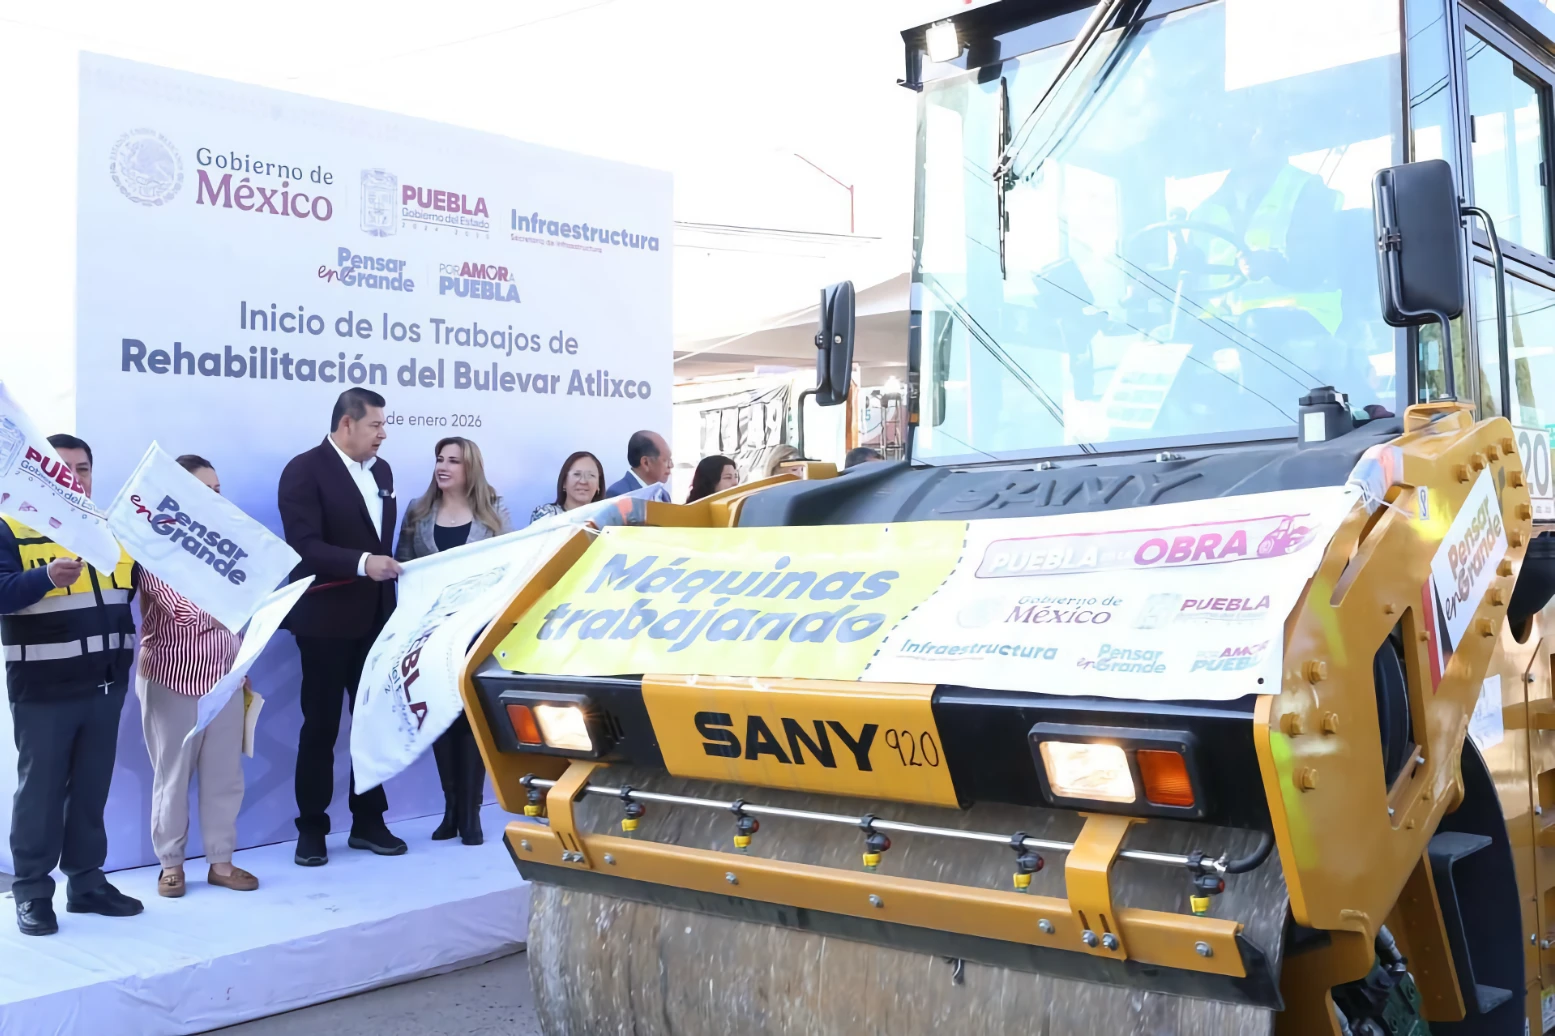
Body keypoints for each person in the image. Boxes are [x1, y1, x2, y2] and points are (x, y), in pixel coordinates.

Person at [0, 434, 141, 936]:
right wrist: (44, 579)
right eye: (63, 468)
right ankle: (33, 894)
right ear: (41, 475)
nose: (75, 477)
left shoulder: (113, 530)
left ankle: (86, 883)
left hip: (106, 686)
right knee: (39, 796)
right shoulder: (11, 526)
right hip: (44, 689)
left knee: (90, 792)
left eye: (83, 468)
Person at [277, 387, 405, 867]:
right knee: (321, 726)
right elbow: (304, 545)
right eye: (375, 425)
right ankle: (311, 828)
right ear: (346, 424)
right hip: (325, 622)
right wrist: (362, 563)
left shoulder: (383, 472)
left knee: (371, 723)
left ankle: (368, 820)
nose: (383, 434)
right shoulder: (303, 470)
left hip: (376, 620)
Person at [136, 455, 257, 898]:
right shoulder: (152, 545)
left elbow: (243, 613)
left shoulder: (227, 546)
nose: (215, 498)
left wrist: (240, 666)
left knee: (225, 775)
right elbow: (183, 612)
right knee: (172, 776)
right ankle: (171, 864)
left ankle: (221, 862)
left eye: (218, 490)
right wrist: (232, 602)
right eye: (204, 491)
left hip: (225, 679)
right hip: (173, 677)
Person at [395, 437, 510, 845]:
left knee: (469, 720)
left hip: (474, 634)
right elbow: (404, 567)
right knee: (441, 720)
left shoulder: (494, 512)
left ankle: (471, 813)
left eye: (453, 461)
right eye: (439, 459)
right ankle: (450, 809)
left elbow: (507, 571)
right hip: (429, 636)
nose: (443, 467)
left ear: (470, 467)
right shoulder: (418, 511)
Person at [531, 451, 606, 523]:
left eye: (591, 475)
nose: (583, 481)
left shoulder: (607, 521)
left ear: (598, 485)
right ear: (564, 482)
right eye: (577, 474)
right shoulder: (547, 515)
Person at [604, 430, 672, 497]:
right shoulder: (619, 494)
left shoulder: (664, 495)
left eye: (670, 460)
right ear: (645, 463)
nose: (671, 465)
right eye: (665, 460)